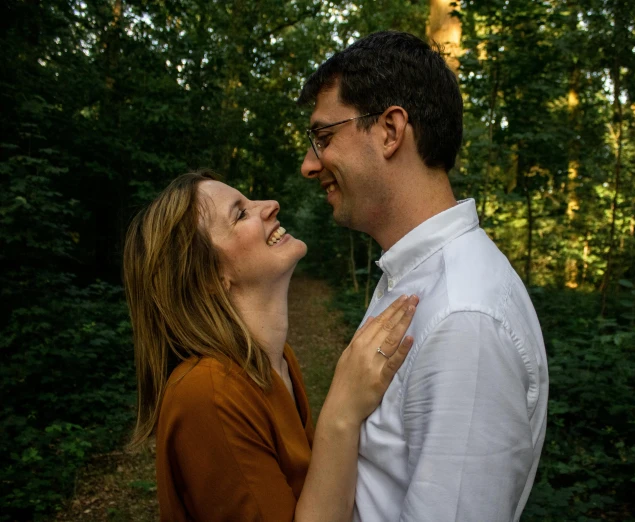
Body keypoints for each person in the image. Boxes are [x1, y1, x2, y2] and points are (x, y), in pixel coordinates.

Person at [298, 31, 549, 521]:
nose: (310, 164)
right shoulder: (412, 276)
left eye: (324, 137)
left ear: (390, 131)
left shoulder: (464, 320)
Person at [123, 170, 419, 522]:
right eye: (241, 214)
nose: (271, 205)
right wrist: (342, 411)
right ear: (211, 279)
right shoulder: (207, 393)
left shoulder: (277, 361)